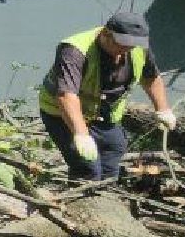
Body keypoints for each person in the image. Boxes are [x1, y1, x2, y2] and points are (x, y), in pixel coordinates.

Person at [37, 11, 177, 181]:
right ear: (105, 33)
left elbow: (150, 78)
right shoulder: (74, 50)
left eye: (130, 46)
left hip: (104, 113)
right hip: (63, 114)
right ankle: (83, 195)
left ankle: (106, 192)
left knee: (114, 150)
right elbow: (66, 95)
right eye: (121, 45)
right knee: (87, 165)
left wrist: (163, 109)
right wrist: (81, 135)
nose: (124, 51)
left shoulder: (137, 48)